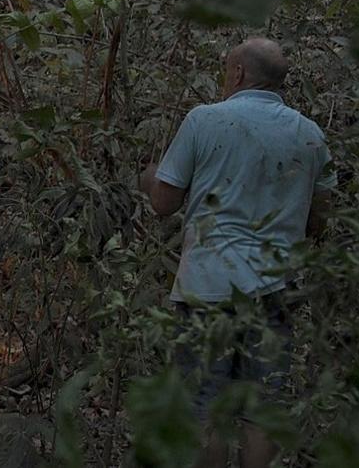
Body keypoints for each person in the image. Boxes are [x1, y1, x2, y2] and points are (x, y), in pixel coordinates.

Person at [139, 38, 335, 468]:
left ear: (239, 74)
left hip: (208, 286)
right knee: (261, 407)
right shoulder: (309, 135)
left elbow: (163, 203)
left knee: (204, 403)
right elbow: (319, 217)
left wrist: (151, 176)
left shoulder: (204, 120)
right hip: (274, 289)